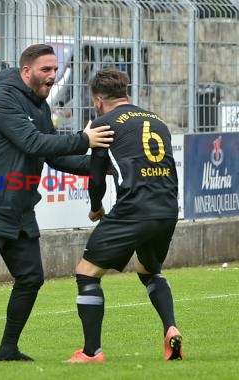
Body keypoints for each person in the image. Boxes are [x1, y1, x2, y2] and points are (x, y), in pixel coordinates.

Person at [0, 44, 113, 363]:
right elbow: (33, 142)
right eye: (45, 69)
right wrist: (83, 139)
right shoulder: (1, 98)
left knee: (31, 277)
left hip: (19, 211)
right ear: (26, 71)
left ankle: (7, 349)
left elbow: (53, 154)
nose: (52, 75)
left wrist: (100, 167)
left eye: (54, 70)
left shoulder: (41, 107)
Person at [67, 67, 182, 363]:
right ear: (126, 93)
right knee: (149, 270)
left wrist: (96, 208)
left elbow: (96, 178)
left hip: (134, 209)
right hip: (167, 208)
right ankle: (170, 328)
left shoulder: (104, 123)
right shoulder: (157, 121)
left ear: (97, 100)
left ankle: (92, 352)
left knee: (86, 273)